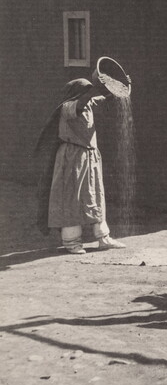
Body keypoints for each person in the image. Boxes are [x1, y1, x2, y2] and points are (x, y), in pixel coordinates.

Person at [36, 78, 126, 254]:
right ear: (78, 93)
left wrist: (120, 85)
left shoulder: (89, 103)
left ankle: (103, 237)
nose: (90, 95)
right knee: (72, 198)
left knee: (95, 195)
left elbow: (109, 97)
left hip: (90, 155)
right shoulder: (68, 106)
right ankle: (71, 241)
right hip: (72, 158)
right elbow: (81, 103)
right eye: (86, 91)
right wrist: (93, 90)